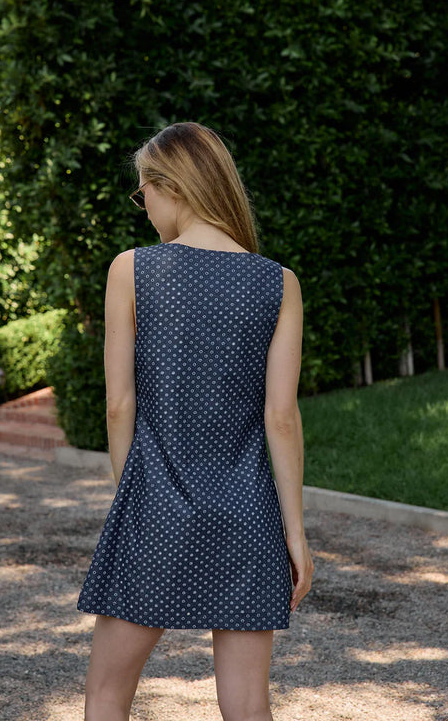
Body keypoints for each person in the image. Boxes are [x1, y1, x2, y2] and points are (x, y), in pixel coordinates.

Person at [77, 121, 314, 721]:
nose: (145, 207)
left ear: (171, 186)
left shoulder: (131, 271)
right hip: (249, 512)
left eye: (144, 192)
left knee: (107, 692)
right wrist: (295, 534)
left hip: (154, 505)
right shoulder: (278, 283)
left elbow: (118, 405)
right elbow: (281, 417)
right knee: (247, 705)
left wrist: (130, 496)